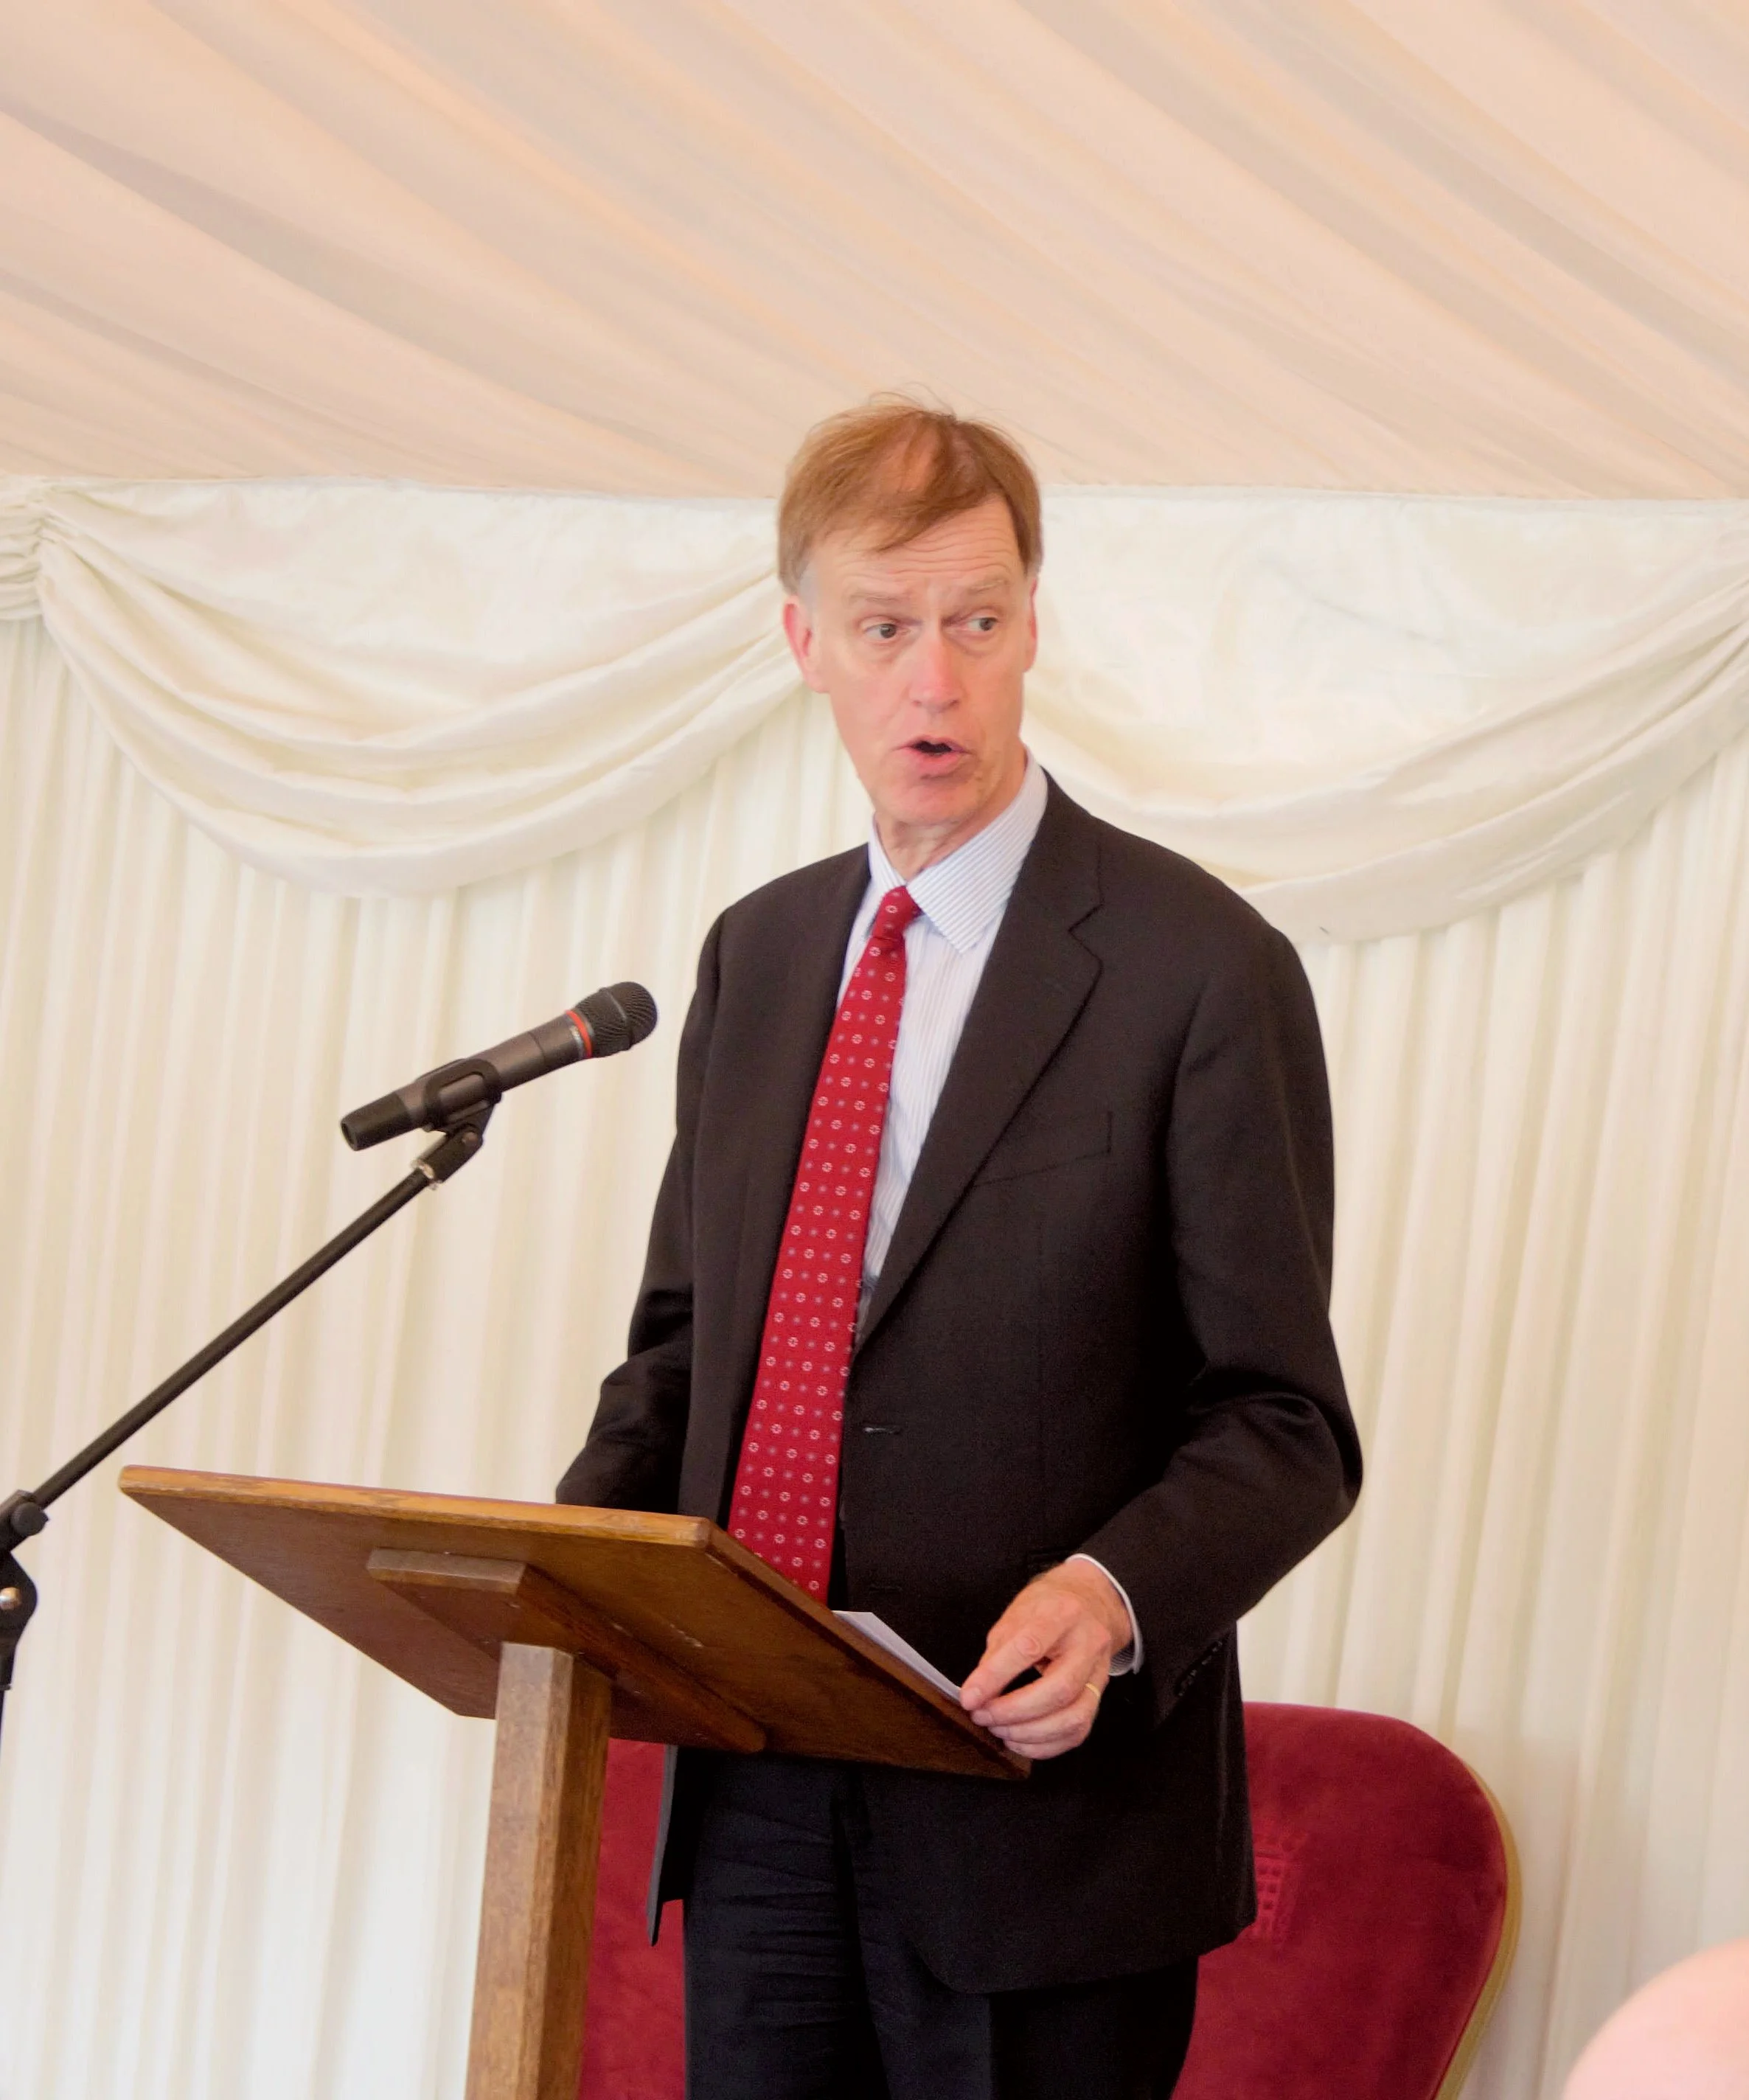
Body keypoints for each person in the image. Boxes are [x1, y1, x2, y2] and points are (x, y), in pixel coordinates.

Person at [558, 400, 1362, 2099]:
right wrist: (556, 1574)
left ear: (1030, 627)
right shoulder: (758, 956)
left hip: (1039, 1822)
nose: (937, 679)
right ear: (804, 645)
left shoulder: (1198, 970)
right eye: (886, 626)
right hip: (759, 1777)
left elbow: (1285, 1422)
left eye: (977, 621)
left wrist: (1115, 1591)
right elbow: (690, 1346)